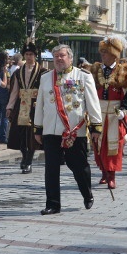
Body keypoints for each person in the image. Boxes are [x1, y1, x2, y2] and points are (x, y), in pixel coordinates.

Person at [34, 44, 102, 215]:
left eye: (62, 55)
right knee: (51, 169)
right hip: (51, 130)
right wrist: (38, 127)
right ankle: (53, 204)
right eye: (55, 56)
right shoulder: (46, 77)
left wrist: (96, 126)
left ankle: (87, 193)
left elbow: (92, 103)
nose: (58, 59)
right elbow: (40, 104)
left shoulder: (83, 76)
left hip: (74, 131)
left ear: (70, 58)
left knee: (79, 166)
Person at [90, 35, 127, 189]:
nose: (102, 55)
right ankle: (103, 172)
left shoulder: (125, 71)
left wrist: (125, 110)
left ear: (114, 54)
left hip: (115, 114)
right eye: (101, 52)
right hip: (99, 112)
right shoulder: (95, 70)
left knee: (114, 145)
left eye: (105, 52)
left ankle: (112, 176)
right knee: (99, 144)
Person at [6, 42, 47, 174]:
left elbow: (45, 90)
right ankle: (24, 155)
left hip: (36, 105)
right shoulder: (18, 72)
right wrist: (10, 107)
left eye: (31, 54)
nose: (29, 57)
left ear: (35, 56)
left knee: (32, 134)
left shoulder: (43, 72)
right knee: (20, 134)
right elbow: (14, 91)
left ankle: (29, 161)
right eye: (27, 54)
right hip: (21, 104)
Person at [0, 51, 11, 145]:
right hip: (4, 94)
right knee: (5, 117)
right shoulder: (6, 70)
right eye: (8, 57)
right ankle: (3, 137)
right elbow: (8, 84)